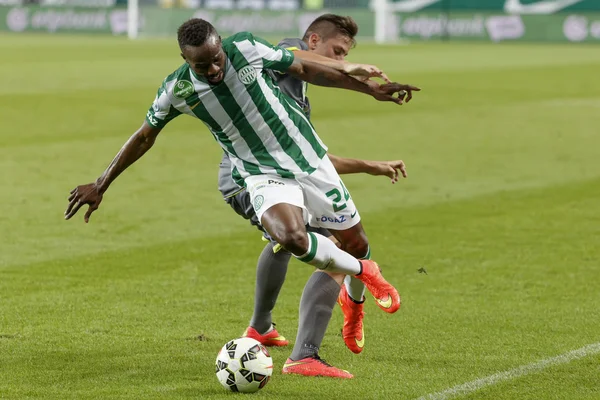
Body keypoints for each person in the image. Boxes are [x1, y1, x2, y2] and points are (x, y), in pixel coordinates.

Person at [65, 18, 418, 378]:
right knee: (292, 237)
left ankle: (345, 303)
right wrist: (101, 183)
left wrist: (366, 87)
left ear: (222, 47)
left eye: (217, 58)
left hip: (310, 162)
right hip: (258, 174)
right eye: (203, 65)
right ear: (186, 60)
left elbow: (304, 66)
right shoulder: (178, 90)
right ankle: (319, 331)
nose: (215, 69)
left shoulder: (246, 49)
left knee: (354, 243)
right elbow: (143, 136)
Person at [218, 14, 411, 367]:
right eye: (336, 52)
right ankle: (306, 354)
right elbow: (302, 61)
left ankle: (262, 326)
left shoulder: (295, 90)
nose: (339, 61)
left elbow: (308, 159)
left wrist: (370, 165)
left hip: (262, 178)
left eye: (344, 55)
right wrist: (356, 75)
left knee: (289, 241)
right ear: (313, 41)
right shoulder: (281, 56)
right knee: (331, 244)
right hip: (249, 179)